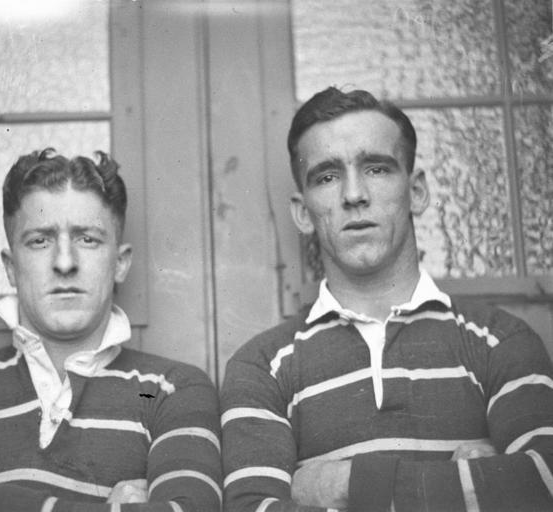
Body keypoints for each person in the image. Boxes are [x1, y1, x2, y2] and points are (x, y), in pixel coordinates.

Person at [220, 87, 553, 511]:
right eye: (327, 177)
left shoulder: (500, 340)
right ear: (302, 213)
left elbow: (544, 484)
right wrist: (472, 486)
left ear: (417, 191)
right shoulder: (262, 367)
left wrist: (345, 483)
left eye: (376, 169)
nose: (353, 194)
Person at [0, 148, 222, 512]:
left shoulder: (172, 389)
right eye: (40, 241)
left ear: (120, 263)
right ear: (11, 267)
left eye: (88, 239)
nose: (64, 262)